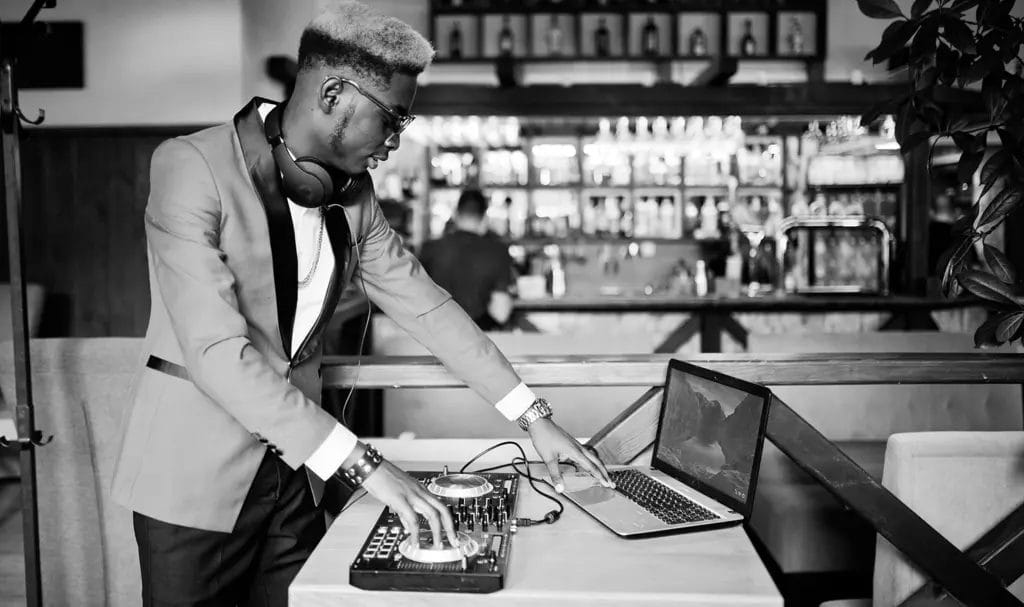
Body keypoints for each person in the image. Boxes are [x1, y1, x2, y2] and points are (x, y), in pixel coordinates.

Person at [110, 2, 613, 605]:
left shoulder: (355, 196)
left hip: (299, 480)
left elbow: (427, 307)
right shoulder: (189, 167)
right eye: (393, 120)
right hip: (195, 478)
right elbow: (217, 352)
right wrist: (365, 465)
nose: (396, 142)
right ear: (332, 94)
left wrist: (535, 419)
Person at [420, 188, 515, 330]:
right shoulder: (497, 251)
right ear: (484, 218)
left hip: (434, 339)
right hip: (478, 341)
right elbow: (501, 313)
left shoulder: (430, 249)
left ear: (456, 214)